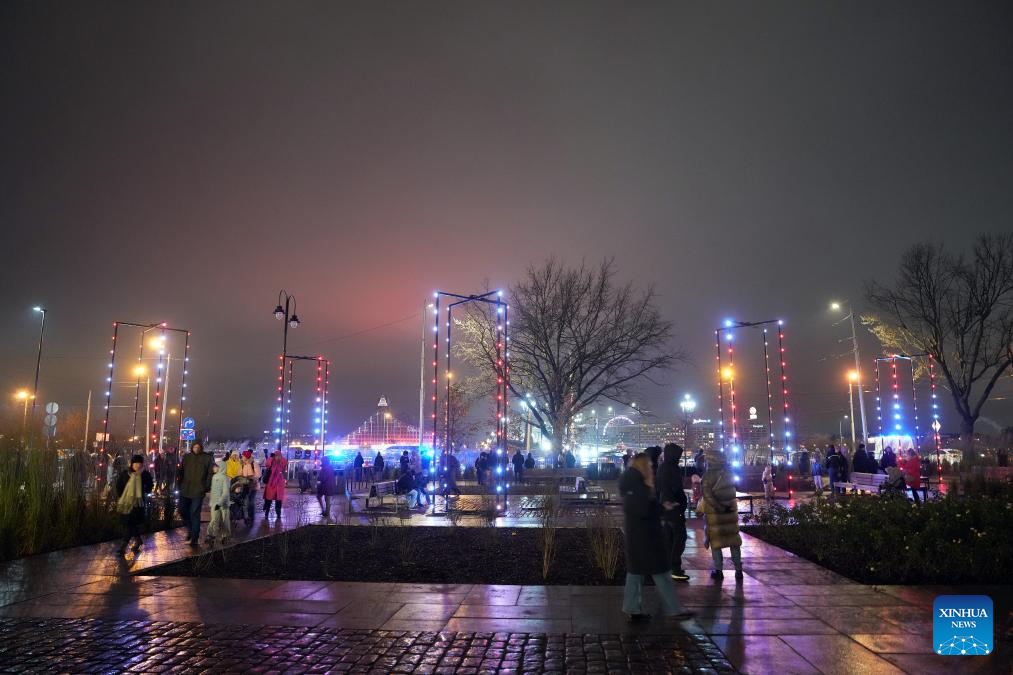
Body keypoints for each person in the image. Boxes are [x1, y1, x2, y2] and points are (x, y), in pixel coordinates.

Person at [618, 453, 693, 622]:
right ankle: (674, 609)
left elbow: (643, 508)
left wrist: (662, 507)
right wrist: (660, 509)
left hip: (639, 537)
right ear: (643, 466)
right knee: (661, 574)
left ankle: (633, 609)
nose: (652, 468)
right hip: (646, 538)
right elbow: (643, 510)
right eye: (649, 465)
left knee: (636, 574)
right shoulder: (638, 486)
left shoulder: (632, 483)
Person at [699, 449, 743, 580]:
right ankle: (738, 570)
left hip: (716, 515)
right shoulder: (729, 473)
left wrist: (719, 508)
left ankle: (718, 570)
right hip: (730, 514)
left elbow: (708, 497)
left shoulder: (707, 476)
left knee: (716, 543)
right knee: (733, 541)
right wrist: (726, 507)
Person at [655, 443, 690, 583]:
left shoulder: (662, 467)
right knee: (680, 538)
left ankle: (668, 567)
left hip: (665, 507)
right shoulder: (673, 468)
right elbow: (676, 488)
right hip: (674, 508)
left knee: (669, 539)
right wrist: (680, 502)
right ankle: (675, 569)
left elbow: (660, 487)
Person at [115, 454, 153, 555]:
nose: (138, 465)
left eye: (140, 463)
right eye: (136, 463)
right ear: (132, 464)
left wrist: (143, 489)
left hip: (138, 503)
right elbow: (119, 485)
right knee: (130, 524)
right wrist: (122, 496)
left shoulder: (145, 474)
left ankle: (123, 547)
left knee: (130, 523)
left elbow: (150, 486)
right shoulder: (125, 474)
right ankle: (138, 540)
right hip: (126, 502)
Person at [178, 442, 213, 546]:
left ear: (201, 448)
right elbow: (181, 471)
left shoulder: (206, 458)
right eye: (194, 447)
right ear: (192, 447)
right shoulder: (187, 457)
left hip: (198, 490)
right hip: (185, 489)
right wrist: (179, 483)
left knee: (194, 513)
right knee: (182, 510)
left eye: (198, 447)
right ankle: (190, 529)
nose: (196, 449)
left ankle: (194, 538)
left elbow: (209, 474)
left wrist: (206, 486)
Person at [206, 459, 231, 545]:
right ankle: (210, 535)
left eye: (215, 466)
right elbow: (213, 491)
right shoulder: (214, 477)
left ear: (220, 468)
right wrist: (212, 502)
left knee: (224, 520)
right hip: (215, 503)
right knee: (214, 519)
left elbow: (225, 493)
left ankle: (225, 536)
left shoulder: (225, 478)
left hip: (223, 504)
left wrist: (219, 503)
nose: (213, 468)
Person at [263, 450, 289, 519]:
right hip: (271, 483)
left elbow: (285, 465)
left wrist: (285, 479)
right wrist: (271, 457)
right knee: (269, 499)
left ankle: (278, 514)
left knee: (279, 500)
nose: (277, 457)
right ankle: (267, 513)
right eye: (276, 456)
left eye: (279, 456)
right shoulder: (271, 461)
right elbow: (267, 463)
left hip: (279, 483)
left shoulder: (282, 462)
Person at [239, 449, 260, 522]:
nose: (242, 457)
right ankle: (246, 517)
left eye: (243, 456)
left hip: (253, 486)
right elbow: (239, 474)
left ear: (246, 457)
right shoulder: (242, 464)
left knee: (251, 501)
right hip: (245, 486)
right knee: (245, 502)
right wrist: (240, 478)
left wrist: (251, 478)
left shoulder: (254, 464)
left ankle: (251, 516)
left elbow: (258, 474)